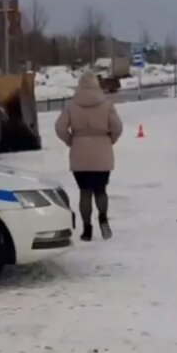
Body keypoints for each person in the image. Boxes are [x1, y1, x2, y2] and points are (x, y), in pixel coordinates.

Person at [54, 72, 123, 241]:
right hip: (102, 152)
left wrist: (71, 141)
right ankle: (103, 218)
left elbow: (59, 127)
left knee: (84, 192)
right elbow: (118, 127)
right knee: (100, 190)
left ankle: (86, 229)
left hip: (80, 153)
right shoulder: (107, 105)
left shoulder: (72, 105)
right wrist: (109, 140)